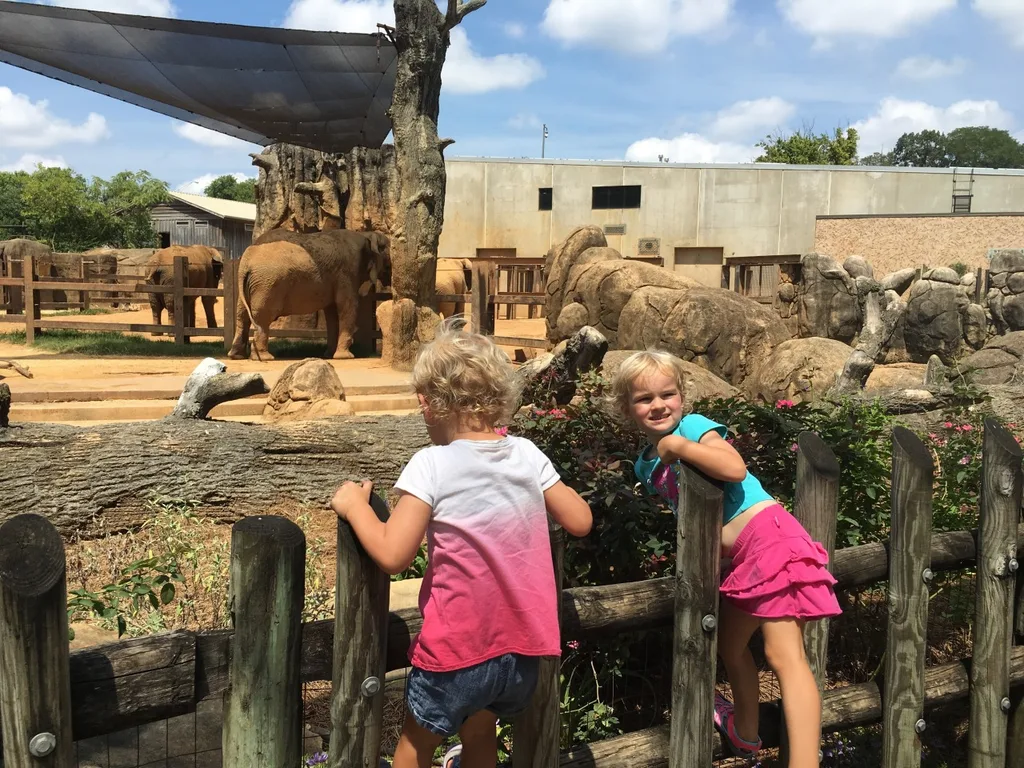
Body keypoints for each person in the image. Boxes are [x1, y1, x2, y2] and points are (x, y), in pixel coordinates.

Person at [331, 321, 592, 768]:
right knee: (480, 729)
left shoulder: (432, 464)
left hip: (458, 648)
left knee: (416, 745)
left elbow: (394, 555)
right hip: (522, 653)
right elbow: (580, 520)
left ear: (427, 404)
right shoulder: (527, 453)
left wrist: (356, 506)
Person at [608, 349, 840, 768]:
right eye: (645, 398)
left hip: (770, 540)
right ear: (626, 407)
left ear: (682, 397)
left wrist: (678, 443)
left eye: (668, 394)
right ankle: (746, 734)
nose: (659, 405)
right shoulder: (645, 465)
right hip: (742, 560)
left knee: (784, 656)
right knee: (731, 647)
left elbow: (732, 469)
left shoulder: (694, 428)